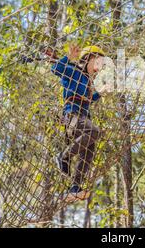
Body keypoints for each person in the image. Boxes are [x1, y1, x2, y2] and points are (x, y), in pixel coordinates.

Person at [48, 44, 105, 203]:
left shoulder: (87, 82)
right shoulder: (74, 71)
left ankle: (74, 188)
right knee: (94, 132)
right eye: (98, 62)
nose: (99, 68)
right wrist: (69, 57)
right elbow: (56, 69)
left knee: (89, 150)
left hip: (83, 118)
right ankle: (63, 156)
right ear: (88, 59)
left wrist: (99, 94)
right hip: (72, 116)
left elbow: (86, 101)